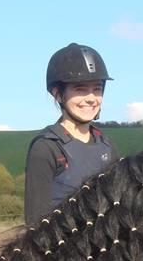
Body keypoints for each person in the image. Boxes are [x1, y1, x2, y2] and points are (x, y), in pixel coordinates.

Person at [24, 43, 118, 224]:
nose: (91, 98)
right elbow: (35, 224)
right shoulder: (47, 148)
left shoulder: (107, 146)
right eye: (80, 89)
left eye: (97, 89)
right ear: (58, 94)